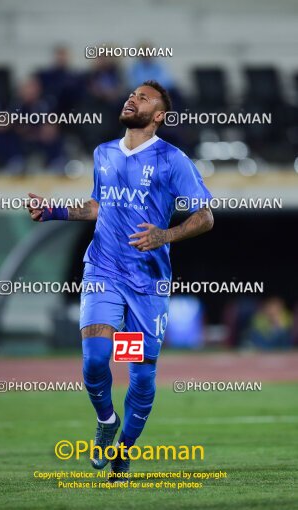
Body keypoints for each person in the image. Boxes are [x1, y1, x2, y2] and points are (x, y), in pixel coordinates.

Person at [26, 80, 213, 481]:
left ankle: (123, 451)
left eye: (144, 97)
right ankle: (106, 421)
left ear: (159, 115)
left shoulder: (172, 160)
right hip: (103, 270)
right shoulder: (104, 153)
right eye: (132, 94)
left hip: (146, 283)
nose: (133, 98)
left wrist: (166, 235)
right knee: (95, 360)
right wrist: (54, 211)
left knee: (140, 377)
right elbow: (98, 205)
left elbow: (204, 216)